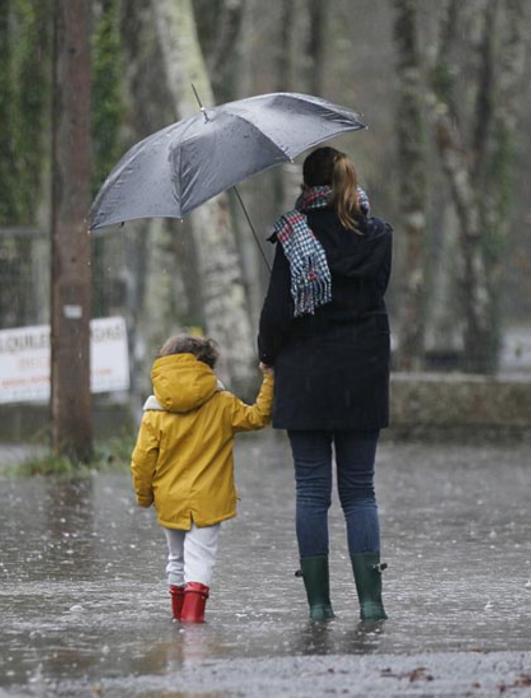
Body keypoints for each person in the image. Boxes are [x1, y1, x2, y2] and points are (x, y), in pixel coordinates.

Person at [257, 146, 393, 621]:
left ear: (306, 185)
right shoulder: (378, 235)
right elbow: (373, 295)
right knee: (360, 492)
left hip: (307, 378)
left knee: (312, 493)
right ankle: (372, 603)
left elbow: (277, 315)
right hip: (363, 376)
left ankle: (318, 606)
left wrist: (266, 355)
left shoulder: (293, 237)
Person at [130, 334, 274, 623]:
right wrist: (269, 379)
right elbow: (258, 416)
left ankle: (178, 618)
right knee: (200, 559)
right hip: (208, 499)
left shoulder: (154, 410)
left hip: (169, 499)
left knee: (176, 559)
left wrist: (145, 496)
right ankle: (192, 622)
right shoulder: (222, 403)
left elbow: (142, 459)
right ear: (207, 365)